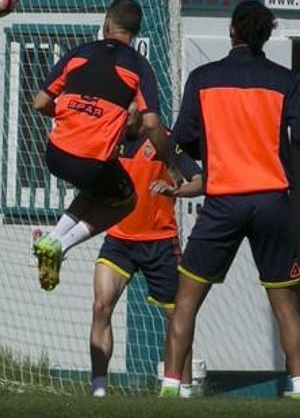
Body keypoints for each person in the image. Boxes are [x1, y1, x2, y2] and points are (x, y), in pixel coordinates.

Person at [161, 0, 300, 399]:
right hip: (273, 201)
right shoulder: (286, 80)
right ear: (267, 36)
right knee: (286, 304)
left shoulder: (204, 78)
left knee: (186, 300)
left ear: (232, 32)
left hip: (223, 201)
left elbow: (179, 141)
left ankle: (172, 390)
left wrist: (194, 171)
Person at [31, 0, 180, 292]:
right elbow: (151, 124)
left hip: (55, 154)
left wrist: (66, 114)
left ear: (107, 23)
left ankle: (52, 237)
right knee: (126, 200)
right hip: (92, 162)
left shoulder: (79, 53)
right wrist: (170, 164)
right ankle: (61, 244)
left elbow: (40, 102)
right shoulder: (139, 65)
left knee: (99, 190)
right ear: (135, 32)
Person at [89, 106, 202, 397]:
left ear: (141, 111)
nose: (120, 116)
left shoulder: (165, 141)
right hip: (119, 240)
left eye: (125, 111)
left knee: (177, 318)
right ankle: (99, 389)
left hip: (160, 243)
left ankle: (185, 391)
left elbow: (201, 182)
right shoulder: (110, 138)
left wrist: (174, 190)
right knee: (101, 306)